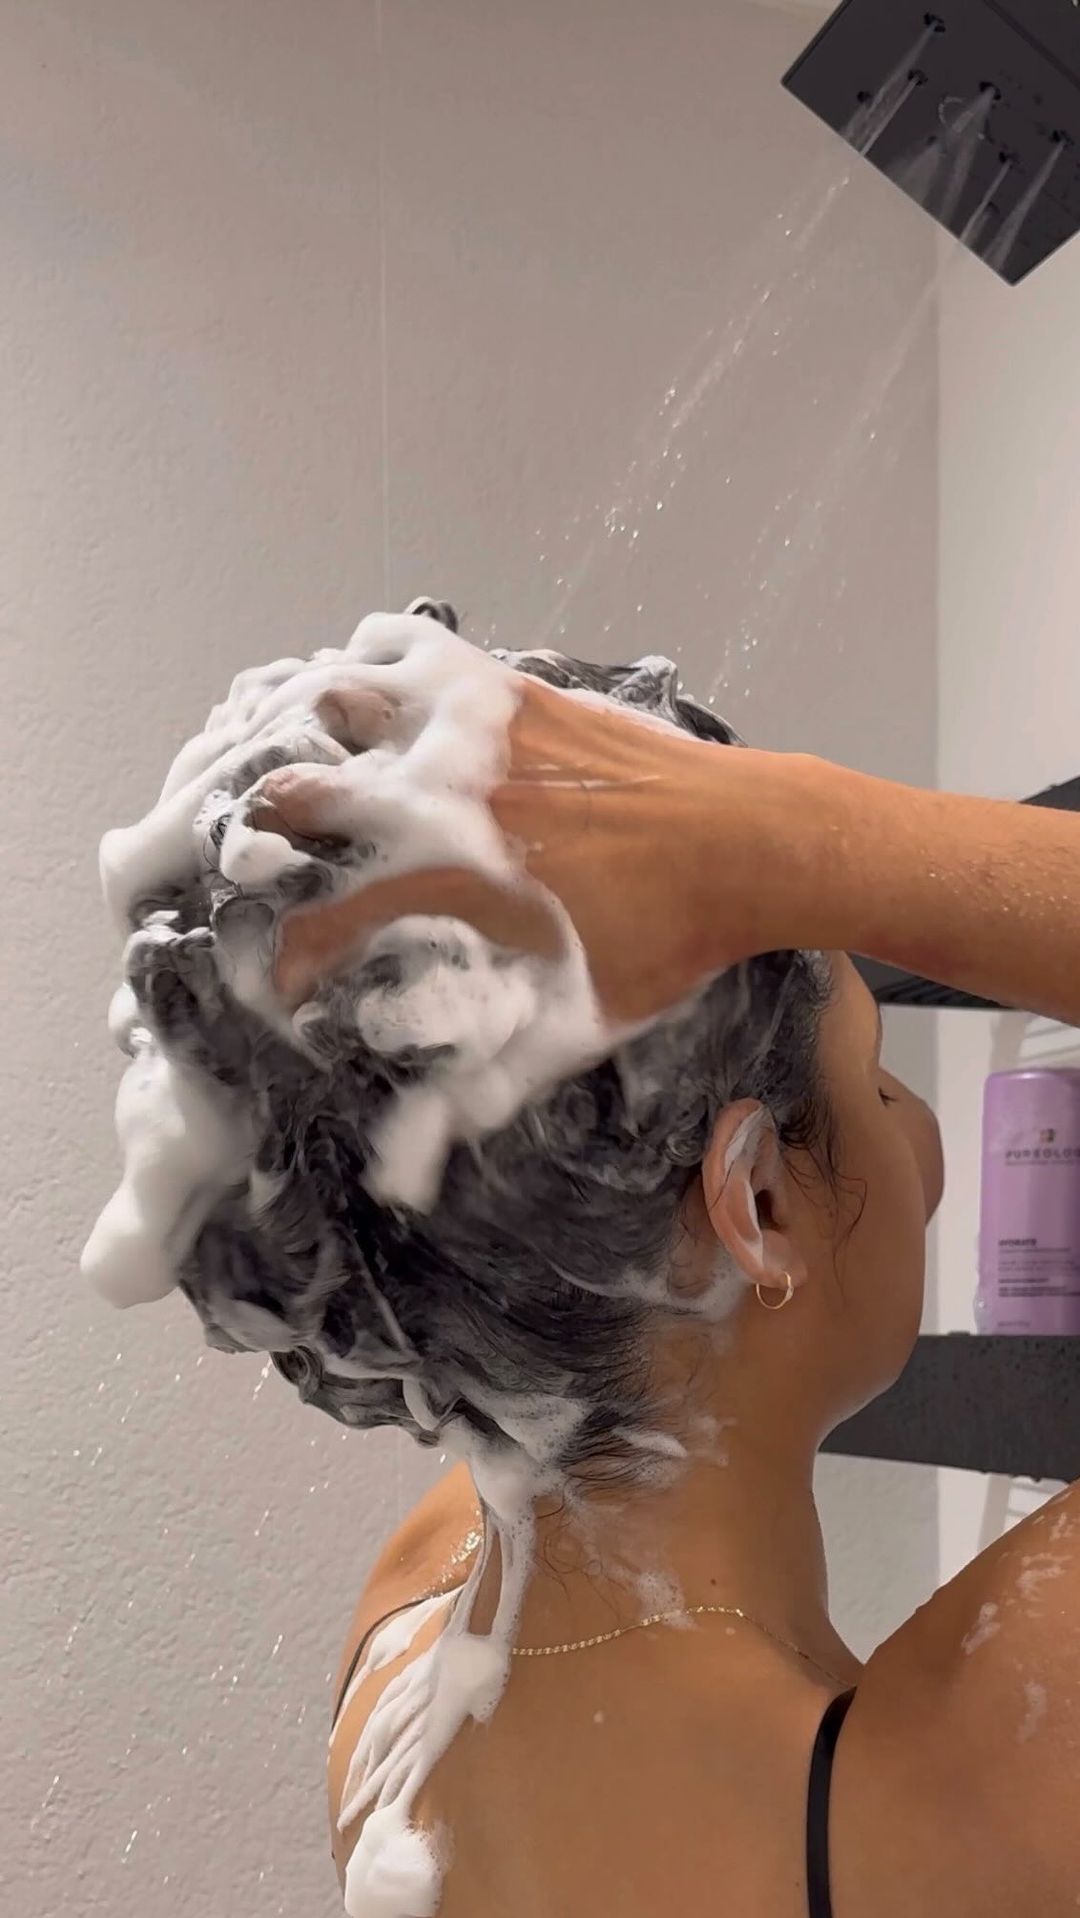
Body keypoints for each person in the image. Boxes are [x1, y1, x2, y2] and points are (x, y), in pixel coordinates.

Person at [113, 616, 1080, 1918]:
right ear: (758, 1202)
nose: (929, 1145)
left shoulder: (405, 1637)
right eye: (879, 1078)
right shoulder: (950, 1798)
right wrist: (795, 832)